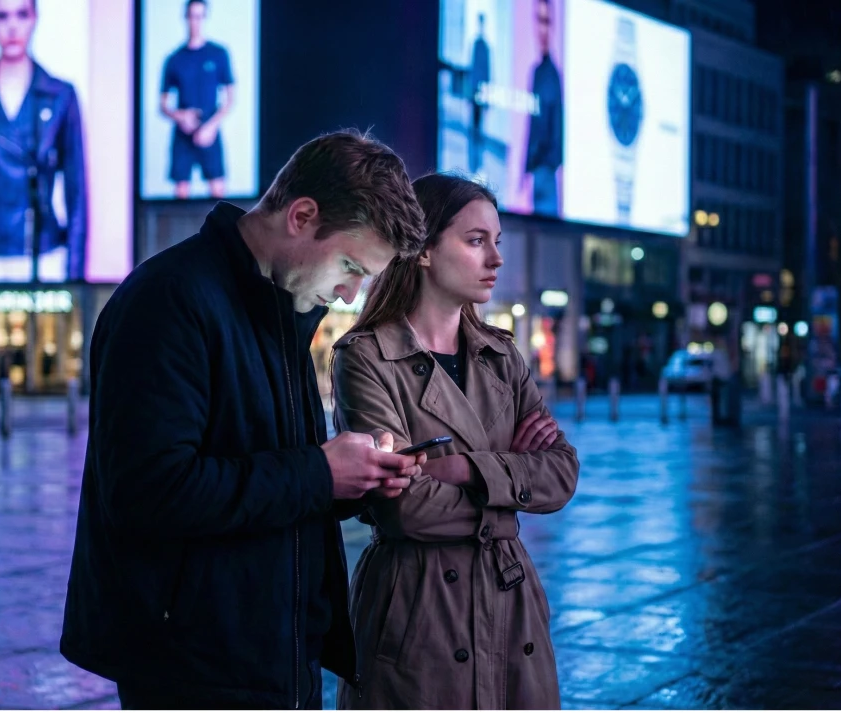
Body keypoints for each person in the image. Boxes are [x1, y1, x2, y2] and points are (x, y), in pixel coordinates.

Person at [61, 131, 430, 710]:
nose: (353, 294)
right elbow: (148, 493)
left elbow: (264, 474)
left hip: (275, 653)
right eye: (353, 266)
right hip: (194, 668)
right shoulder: (169, 301)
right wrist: (318, 473)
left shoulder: (281, 309)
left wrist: (353, 479)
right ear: (302, 216)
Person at [331, 174, 580, 709]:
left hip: (511, 603)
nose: (496, 259)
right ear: (422, 250)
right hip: (418, 605)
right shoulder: (366, 357)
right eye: (475, 241)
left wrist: (468, 469)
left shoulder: (501, 355)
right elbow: (406, 508)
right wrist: (512, 486)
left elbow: (560, 473)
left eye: (497, 241)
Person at [0, 0, 87, 283]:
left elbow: (77, 192)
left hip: (45, 256)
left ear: (34, 19)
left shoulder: (60, 96)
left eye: (21, 14)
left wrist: (75, 275)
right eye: (2, 16)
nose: (12, 26)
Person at [160, 0, 235, 199]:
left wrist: (211, 126)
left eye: (200, 16)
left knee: (219, 195)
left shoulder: (218, 54)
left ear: (205, 18)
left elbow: (230, 98)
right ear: (185, 18)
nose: (196, 21)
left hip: (210, 128)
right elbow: (163, 104)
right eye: (192, 16)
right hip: (183, 133)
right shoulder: (174, 59)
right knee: (181, 194)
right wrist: (180, 116)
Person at [523, 0, 563, 216]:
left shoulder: (553, 75)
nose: (542, 30)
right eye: (539, 21)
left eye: (547, 21)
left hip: (546, 170)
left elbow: (556, 127)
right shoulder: (537, 72)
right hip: (538, 170)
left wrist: (547, 163)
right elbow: (532, 126)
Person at [469, 13, 490, 175]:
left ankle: (479, 164)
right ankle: (472, 164)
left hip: (482, 93)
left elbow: (487, 71)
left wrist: (487, 95)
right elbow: (473, 70)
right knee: (473, 129)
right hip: (475, 92)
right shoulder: (476, 45)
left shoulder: (485, 47)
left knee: (480, 130)